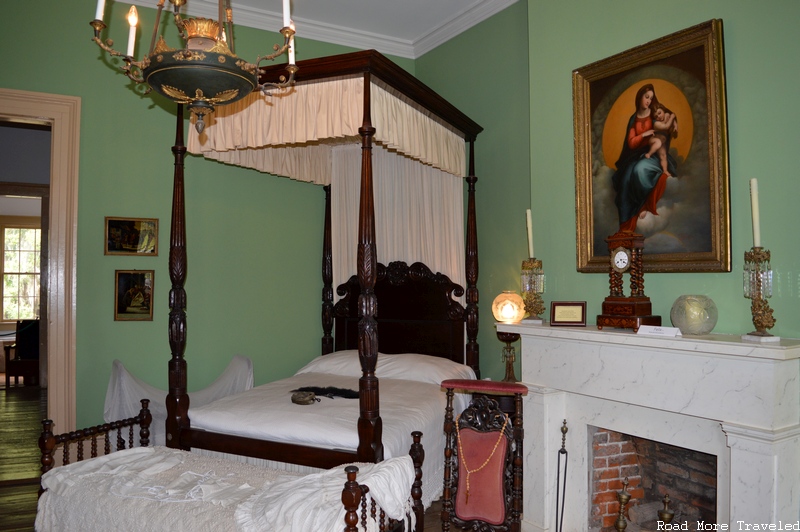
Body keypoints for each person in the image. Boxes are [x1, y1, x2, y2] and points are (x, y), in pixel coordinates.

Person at [611, 83, 678, 233]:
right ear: (639, 97)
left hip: (653, 154)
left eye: (651, 98)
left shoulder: (654, 113)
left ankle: (644, 205)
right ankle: (626, 226)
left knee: (640, 170)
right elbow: (631, 143)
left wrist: (674, 121)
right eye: (646, 97)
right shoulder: (633, 120)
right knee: (625, 180)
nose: (648, 101)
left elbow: (666, 119)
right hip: (635, 156)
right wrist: (643, 135)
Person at [644, 103, 678, 176]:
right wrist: (672, 117)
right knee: (658, 142)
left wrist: (675, 127)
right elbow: (666, 126)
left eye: (660, 113)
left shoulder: (667, 115)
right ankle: (649, 154)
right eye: (656, 116)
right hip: (654, 139)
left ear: (663, 110)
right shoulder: (656, 124)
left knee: (663, 156)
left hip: (662, 142)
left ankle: (665, 171)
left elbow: (673, 120)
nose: (659, 116)